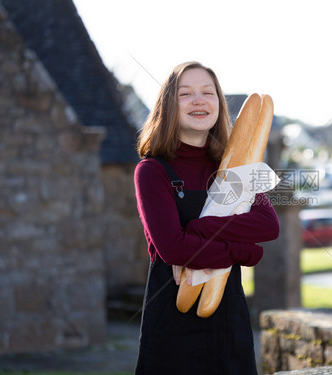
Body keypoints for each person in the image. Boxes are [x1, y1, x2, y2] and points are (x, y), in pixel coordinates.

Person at [133, 61, 280, 374]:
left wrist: (197, 229)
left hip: (230, 319)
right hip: (172, 322)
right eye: (185, 93)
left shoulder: (234, 168)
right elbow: (173, 248)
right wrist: (243, 251)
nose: (198, 100)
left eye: (207, 92)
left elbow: (268, 224)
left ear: (218, 103)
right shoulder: (152, 171)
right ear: (168, 106)